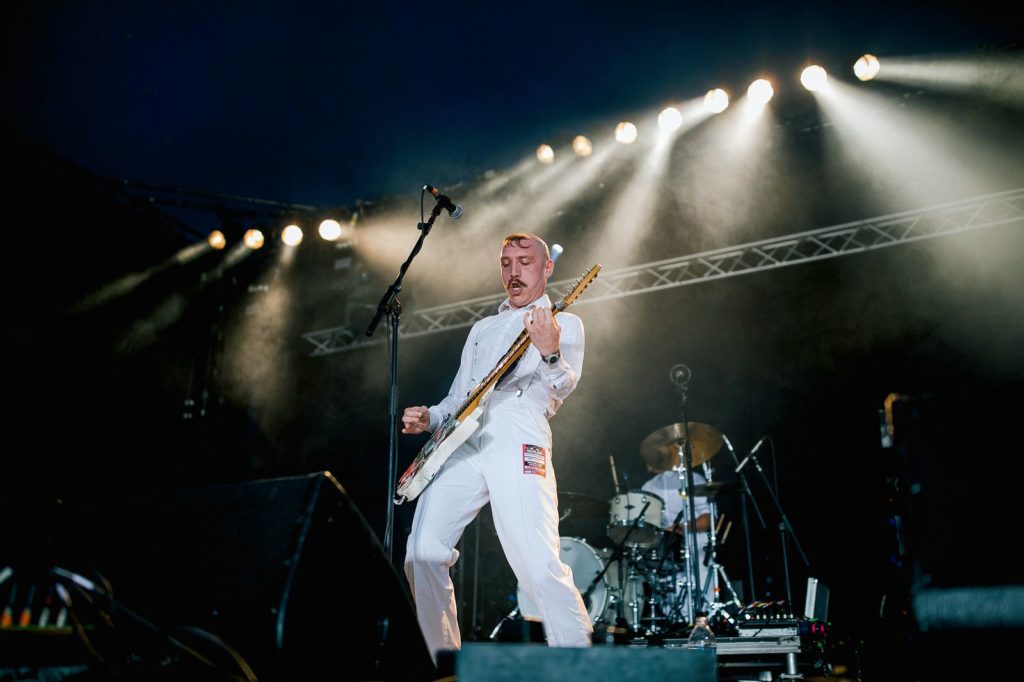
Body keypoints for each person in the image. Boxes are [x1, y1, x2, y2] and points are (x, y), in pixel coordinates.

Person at [400, 232, 593, 659]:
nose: (513, 271)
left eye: (525, 262)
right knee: (422, 551)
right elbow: (458, 397)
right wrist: (429, 417)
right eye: (506, 263)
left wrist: (550, 352)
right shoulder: (482, 328)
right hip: (466, 438)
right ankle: (441, 662)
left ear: (547, 268)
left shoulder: (563, 322)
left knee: (536, 563)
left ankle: (578, 663)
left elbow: (562, 387)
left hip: (520, 430)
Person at [640, 463, 716, 623]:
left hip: (696, 546)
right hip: (666, 550)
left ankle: (706, 620)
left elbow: (708, 519)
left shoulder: (694, 479)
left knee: (702, 566)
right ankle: (674, 623)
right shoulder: (649, 486)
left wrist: (681, 528)